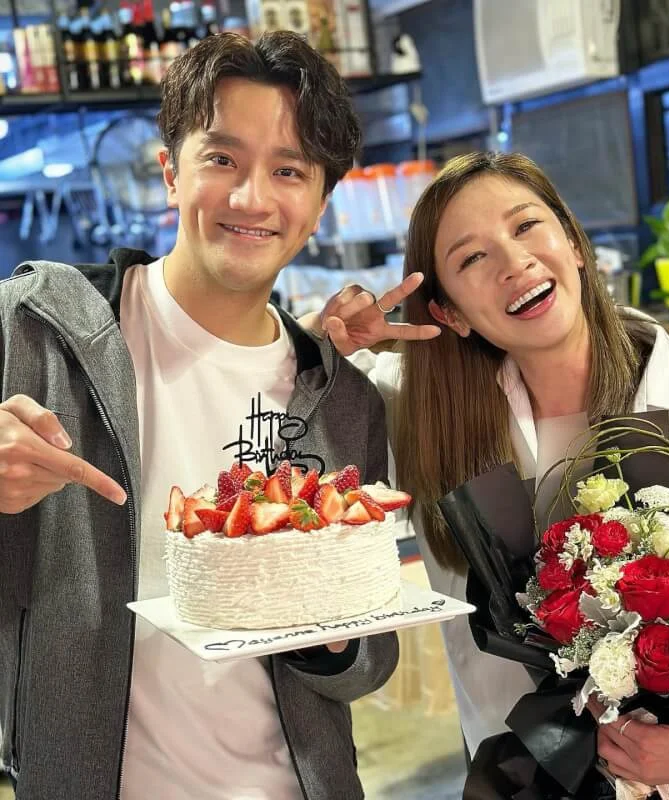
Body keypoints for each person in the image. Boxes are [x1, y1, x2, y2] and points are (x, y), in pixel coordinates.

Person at [304, 151, 669, 797]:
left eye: (526, 226)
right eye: (471, 258)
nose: (514, 262)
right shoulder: (421, 427)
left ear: (574, 244)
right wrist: (318, 348)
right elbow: (282, 452)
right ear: (449, 313)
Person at [0, 31, 397, 800]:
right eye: (222, 159)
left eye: (289, 170)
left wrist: (334, 639)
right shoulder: (33, 332)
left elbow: (369, 660)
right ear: (171, 173)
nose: (251, 198)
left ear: (320, 205)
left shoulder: (343, 399)